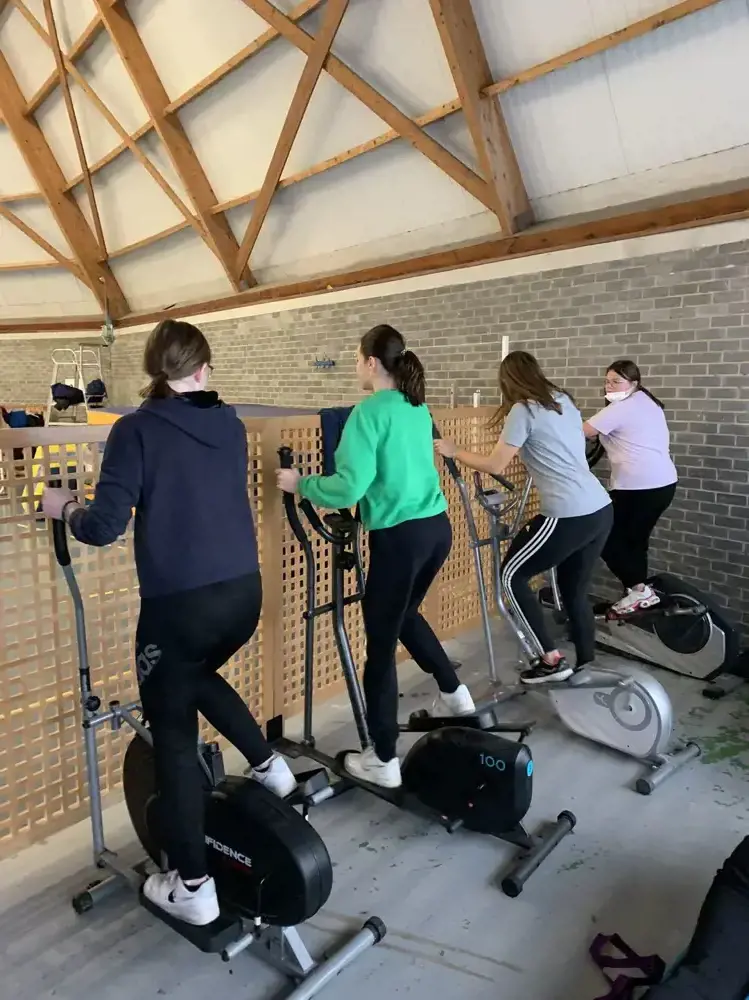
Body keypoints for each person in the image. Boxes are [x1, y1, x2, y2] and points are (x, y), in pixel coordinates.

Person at [42, 319, 296, 927]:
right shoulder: (229, 423)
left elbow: (103, 526)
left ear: (152, 370)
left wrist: (64, 506)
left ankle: (193, 887)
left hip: (180, 606)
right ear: (203, 369)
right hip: (242, 594)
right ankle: (271, 769)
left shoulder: (135, 429)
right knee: (193, 675)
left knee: (176, 738)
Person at [276, 324, 475, 791]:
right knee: (405, 615)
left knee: (380, 649)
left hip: (400, 539)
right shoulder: (416, 406)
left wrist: (301, 484)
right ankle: (455, 695)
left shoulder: (367, 413)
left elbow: (349, 487)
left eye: (356, 359)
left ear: (370, 362)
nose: (355, 367)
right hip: (436, 529)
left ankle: (383, 758)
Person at [436, 350, 612, 685]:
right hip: (600, 509)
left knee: (511, 577)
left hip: (568, 512)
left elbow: (495, 464)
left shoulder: (523, 409)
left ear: (508, 381)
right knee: (574, 591)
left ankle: (551, 660)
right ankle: (586, 664)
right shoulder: (562, 400)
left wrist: (454, 450)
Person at [583, 360, 677, 615]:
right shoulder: (646, 402)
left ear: (634, 383)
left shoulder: (622, 408)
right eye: (607, 381)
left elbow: (583, 431)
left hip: (639, 487)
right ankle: (636, 594)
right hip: (662, 484)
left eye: (617, 381)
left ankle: (639, 591)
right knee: (635, 541)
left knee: (602, 535)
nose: (609, 386)